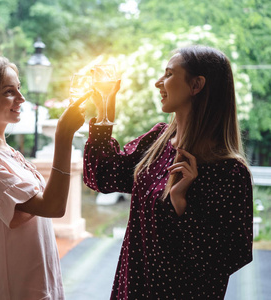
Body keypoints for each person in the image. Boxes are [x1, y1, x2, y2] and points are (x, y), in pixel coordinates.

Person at [83, 45, 253, 299]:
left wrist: (182, 205)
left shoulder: (228, 171)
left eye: (169, 74)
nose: (157, 83)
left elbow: (230, 257)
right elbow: (103, 176)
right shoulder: (158, 142)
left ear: (196, 85)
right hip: (130, 291)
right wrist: (105, 106)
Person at [0, 55, 91, 300]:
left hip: (34, 281)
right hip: (10, 288)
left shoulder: (7, 152)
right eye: (8, 92)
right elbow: (52, 206)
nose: (21, 99)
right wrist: (63, 137)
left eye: (19, 89)